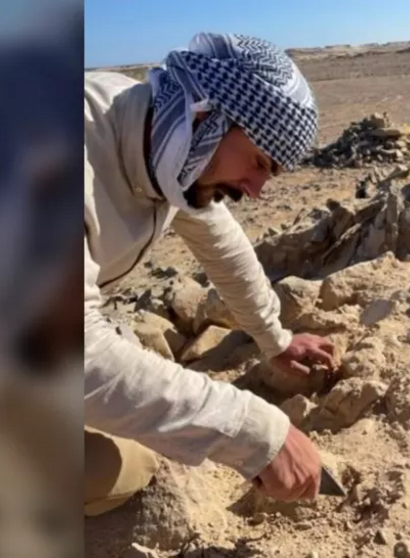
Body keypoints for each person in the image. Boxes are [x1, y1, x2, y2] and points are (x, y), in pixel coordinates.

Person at [84, 32, 336, 514]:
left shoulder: (158, 133)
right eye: (259, 162)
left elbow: (221, 242)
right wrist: (254, 432)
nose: (257, 189)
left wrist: (274, 338)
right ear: (202, 117)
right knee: (123, 467)